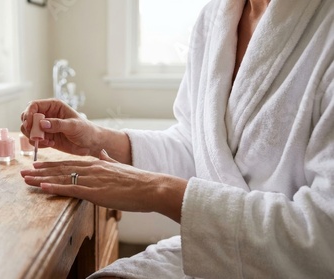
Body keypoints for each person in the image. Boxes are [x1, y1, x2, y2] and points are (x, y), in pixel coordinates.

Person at [20, 0, 334, 277]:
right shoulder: (215, 18)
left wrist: (154, 190)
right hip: (214, 253)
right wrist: (98, 139)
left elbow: (323, 235)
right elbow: (200, 147)